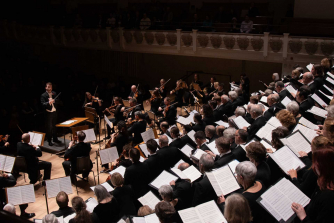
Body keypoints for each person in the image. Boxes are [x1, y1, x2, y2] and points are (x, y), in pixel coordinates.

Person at [291, 147, 334, 222]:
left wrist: (303, 216)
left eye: (316, 163)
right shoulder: (324, 181)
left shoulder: (329, 196)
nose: (313, 166)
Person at [40, 82, 60, 146]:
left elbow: (58, 100)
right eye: (48, 87)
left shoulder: (54, 93)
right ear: (45, 87)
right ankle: (49, 140)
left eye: (50, 87)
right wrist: (48, 102)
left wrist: (54, 101)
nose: (49, 88)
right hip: (48, 113)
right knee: (49, 127)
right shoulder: (43, 95)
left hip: (54, 112)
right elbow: (43, 104)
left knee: (54, 126)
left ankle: (55, 138)